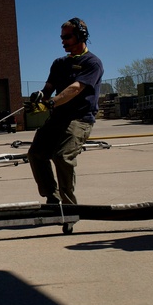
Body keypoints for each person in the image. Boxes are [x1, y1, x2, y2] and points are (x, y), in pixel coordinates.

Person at [26, 17, 104, 206]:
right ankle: (53, 198)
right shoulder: (59, 63)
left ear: (81, 36)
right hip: (58, 118)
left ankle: (70, 206)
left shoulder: (92, 63)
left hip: (80, 119)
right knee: (36, 153)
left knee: (62, 156)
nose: (63, 41)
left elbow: (76, 88)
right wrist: (41, 95)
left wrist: (52, 102)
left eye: (67, 37)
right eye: (62, 37)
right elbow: (49, 87)